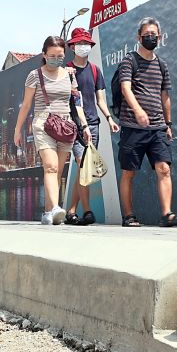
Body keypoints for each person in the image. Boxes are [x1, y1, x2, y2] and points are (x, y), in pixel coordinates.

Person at [116, 17, 177, 227]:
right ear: (139, 37)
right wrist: (138, 111)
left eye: (154, 35)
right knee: (129, 172)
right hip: (132, 127)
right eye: (147, 35)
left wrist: (168, 123)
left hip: (157, 127)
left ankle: (167, 214)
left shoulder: (162, 65)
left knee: (164, 169)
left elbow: (165, 95)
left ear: (160, 36)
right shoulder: (129, 61)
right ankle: (128, 216)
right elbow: (125, 88)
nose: (151, 38)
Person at [13, 35, 91, 225]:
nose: (57, 59)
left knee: (57, 172)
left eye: (60, 56)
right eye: (52, 56)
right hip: (43, 124)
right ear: (44, 55)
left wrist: (85, 125)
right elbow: (26, 105)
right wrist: (17, 130)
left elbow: (76, 103)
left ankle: (48, 212)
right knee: (51, 166)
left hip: (65, 126)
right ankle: (56, 208)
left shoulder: (70, 75)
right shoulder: (34, 75)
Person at [63, 28, 119, 225]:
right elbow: (74, 101)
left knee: (84, 168)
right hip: (73, 125)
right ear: (72, 47)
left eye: (86, 43)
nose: (83, 47)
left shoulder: (95, 71)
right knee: (82, 164)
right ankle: (87, 211)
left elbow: (100, 99)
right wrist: (82, 125)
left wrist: (109, 118)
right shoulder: (66, 70)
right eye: (79, 44)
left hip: (93, 124)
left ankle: (71, 211)